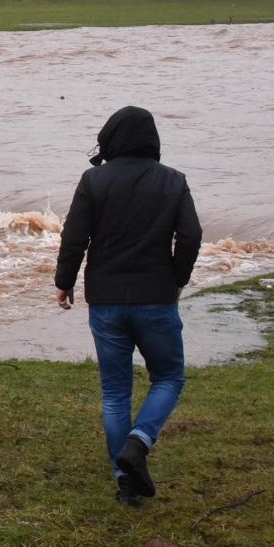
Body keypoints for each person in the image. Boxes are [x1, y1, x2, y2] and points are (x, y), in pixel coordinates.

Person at [54, 106, 202, 507]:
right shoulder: (173, 181)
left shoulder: (93, 180)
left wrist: (63, 283)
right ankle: (139, 443)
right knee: (169, 378)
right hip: (157, 298)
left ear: (111, 138)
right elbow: (190, 236)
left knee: (116, 392)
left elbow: (74, 238)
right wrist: (178, 277)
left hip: (106, 303)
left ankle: (126, 481)